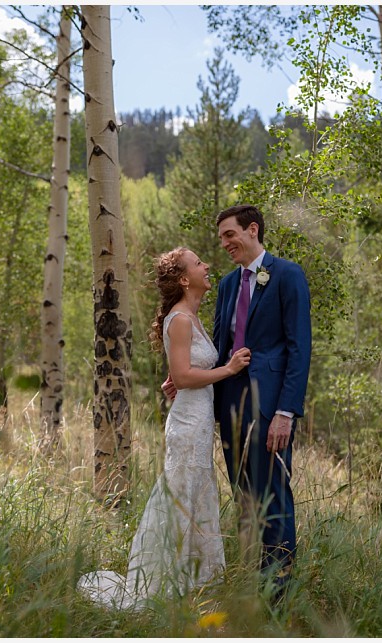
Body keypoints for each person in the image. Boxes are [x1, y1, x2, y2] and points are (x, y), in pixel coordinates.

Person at [77, 247, 251, 611]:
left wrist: (183, 378)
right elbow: (187, 376)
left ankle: (195, 579)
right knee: (181, 497)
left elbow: (182, 371)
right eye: (199, 262)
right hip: (188, 424)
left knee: (195, 495)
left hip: (198, 420)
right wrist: (229, 369)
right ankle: (166, 580)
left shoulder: (192, 316)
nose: (207, 266)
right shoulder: (182, 319)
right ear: (185, 279)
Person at [166, 204, 311, 594]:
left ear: (252, 230)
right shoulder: (228, 285)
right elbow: (217, 348)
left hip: (270, 408)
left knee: (274, 496)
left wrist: (286, 411)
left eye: (229, 234)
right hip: (229, 407)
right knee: (244, 497)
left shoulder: (287, 275)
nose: (224, 243)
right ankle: (251, 584)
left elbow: (300, 348)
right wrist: (181, 378)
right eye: (220, 238)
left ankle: (277, 591)